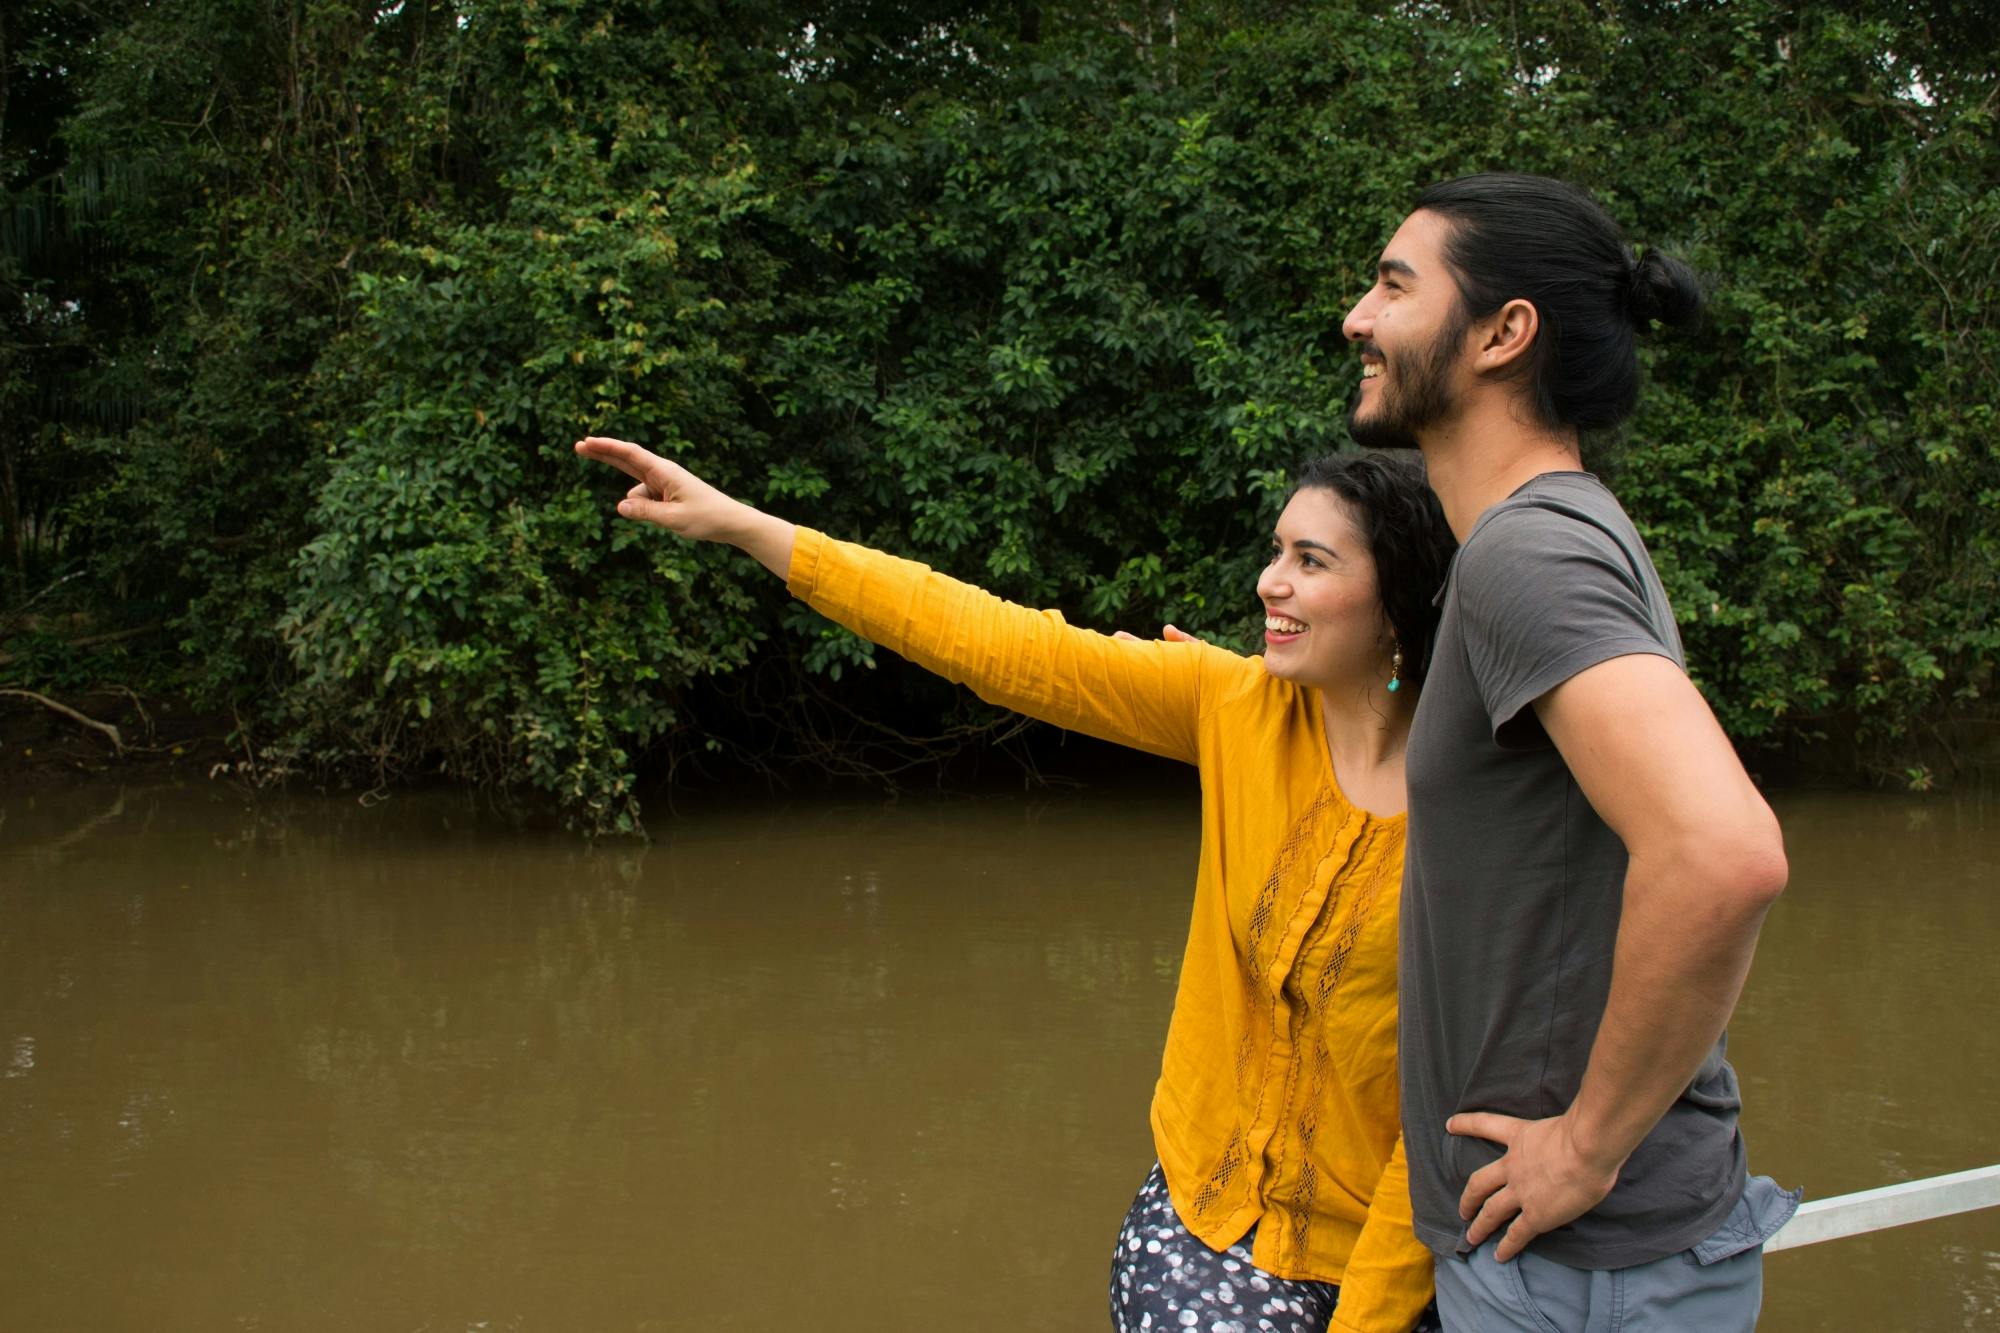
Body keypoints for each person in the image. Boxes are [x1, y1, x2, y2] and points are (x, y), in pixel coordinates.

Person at [576, 434, 1455, 1332]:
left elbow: (1437, 1127)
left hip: (1378, 1254)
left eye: (1312, 561)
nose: (1271, 581)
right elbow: (992, 640)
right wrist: (747, 527)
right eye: (1277, 552)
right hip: (1202, 1216)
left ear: (1395, 603)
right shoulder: (1233, 706)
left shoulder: (1477, 815)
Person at [1339, 172, 1797, 1331]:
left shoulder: (1525, 554)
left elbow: (1722, 852)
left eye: (1394, 284)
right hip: (1596, 1259)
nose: (1356, 317)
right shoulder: (1554, 532)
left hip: (1573, 1266)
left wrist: (1584, 1148)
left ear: (1502, 333)